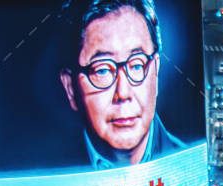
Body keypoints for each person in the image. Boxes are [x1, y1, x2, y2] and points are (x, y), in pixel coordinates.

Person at [59, 0, 186, 169]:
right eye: (102, 70)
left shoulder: (192, 169)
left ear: (155, 71)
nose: (123, 93)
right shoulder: (46, 178)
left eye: (136, 66)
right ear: (70, 89)